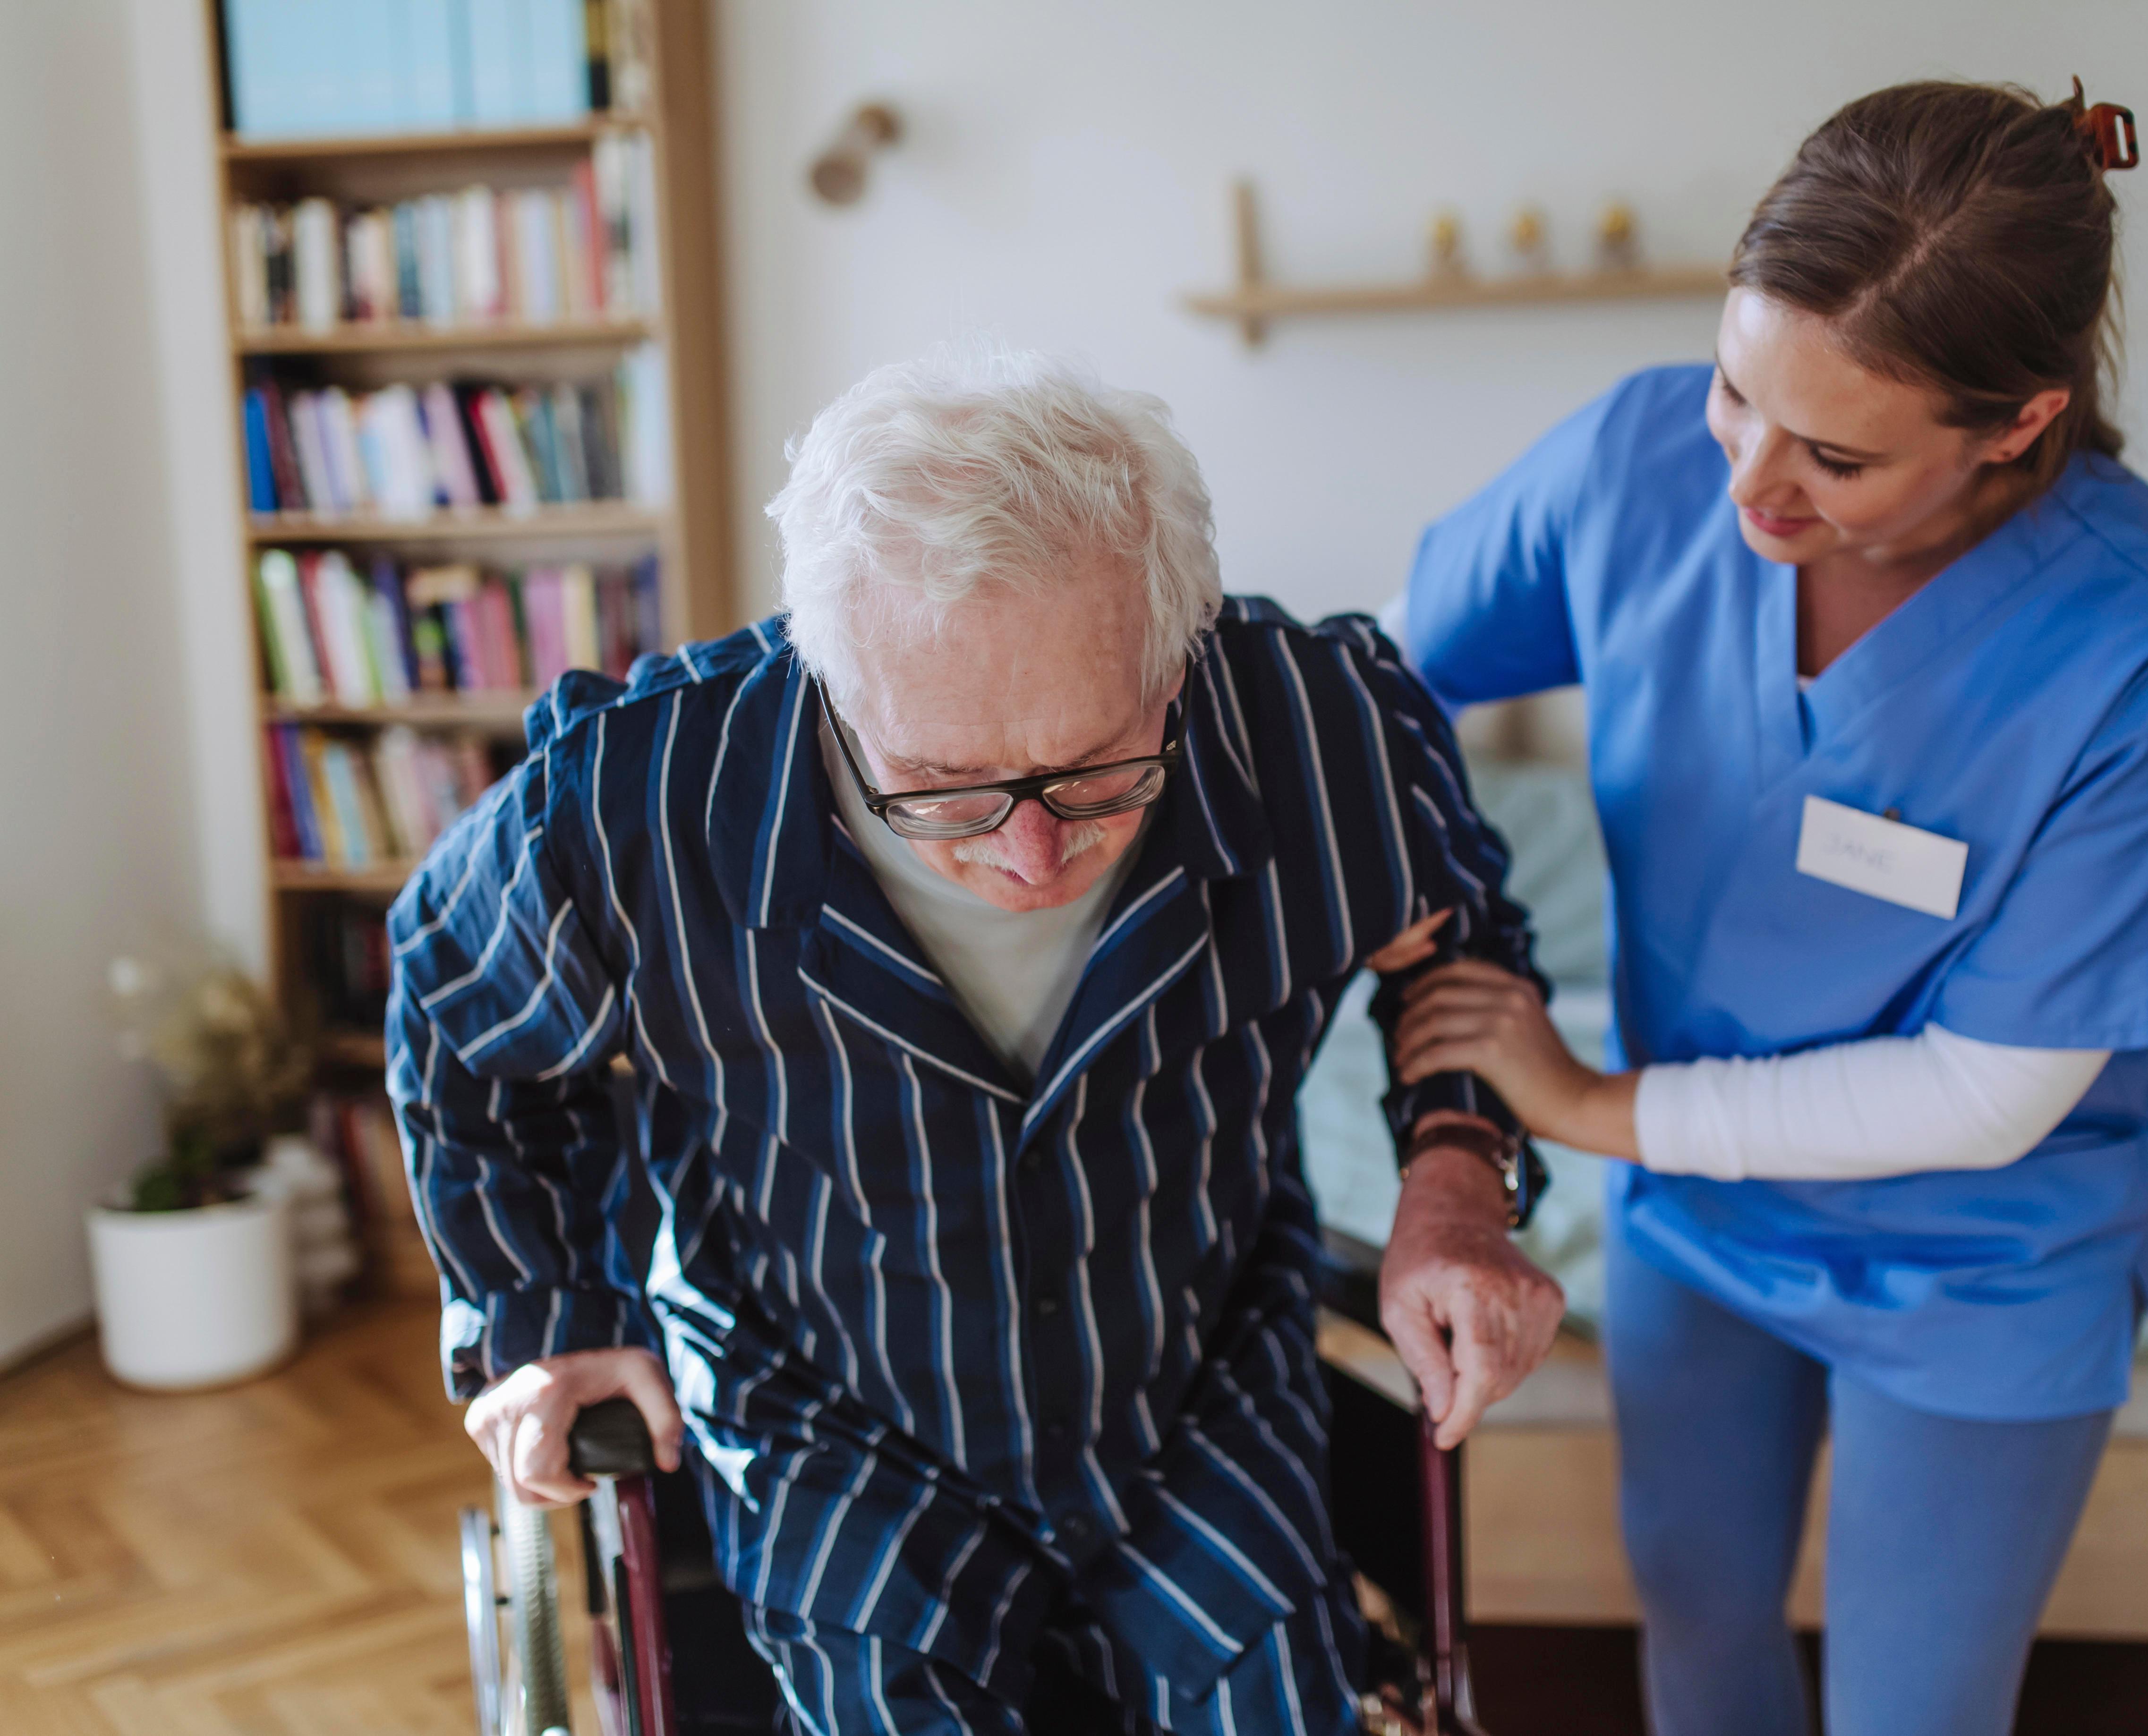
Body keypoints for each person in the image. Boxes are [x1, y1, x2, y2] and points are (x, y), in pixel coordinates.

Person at [387, 345, 1566, 1736]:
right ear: (823, 672)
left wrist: (1453, 1176)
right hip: (833, 1407)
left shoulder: (1322, 730)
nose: (1027, 852)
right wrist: (547, 1319)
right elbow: (463, 1029)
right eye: (942, 787)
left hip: (1189, 1380)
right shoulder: (637, 807)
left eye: (1095, 769)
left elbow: (1465, 946)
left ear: (1181, 645)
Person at [1381, 82, 2148, 1736]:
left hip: (1979, 1255)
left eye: (1836, 454)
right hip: (1697, 1226)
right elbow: (1380, 679)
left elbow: (1990, 1088)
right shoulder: (1640, 457)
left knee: (1912, 1711)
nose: (1751, 491)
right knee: (1700, 1645)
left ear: (2014, 422)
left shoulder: (2139, 636)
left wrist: (1586, 1102)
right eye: (1735, 391)